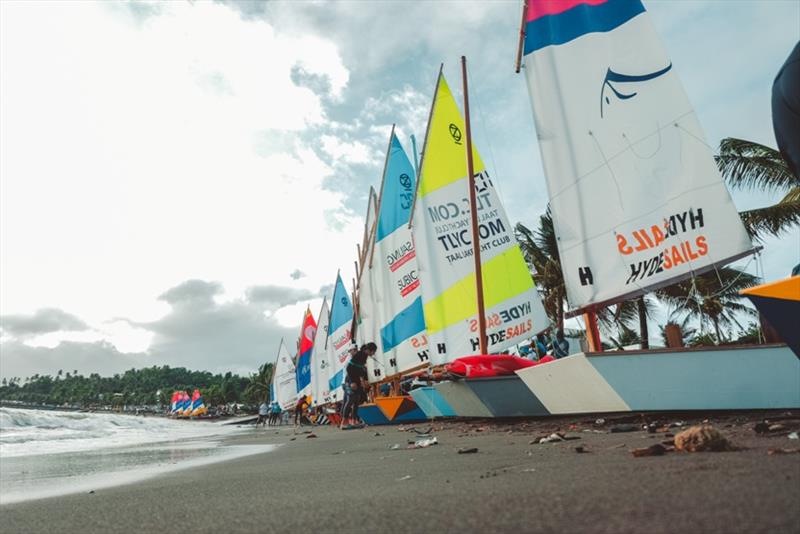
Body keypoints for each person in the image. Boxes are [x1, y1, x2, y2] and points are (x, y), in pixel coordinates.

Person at [340, 342, 376, 429]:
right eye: (373, 352)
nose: (373, 354)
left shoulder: (364, 356)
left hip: (356, 380)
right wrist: (352, 382)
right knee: (350, 400)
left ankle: (353, 421)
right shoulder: (360, 355)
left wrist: (363, 380)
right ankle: (344, 422)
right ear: (369, 350)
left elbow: (360, 369)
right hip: (350, 380)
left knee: (356, 400)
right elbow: (349, 368)